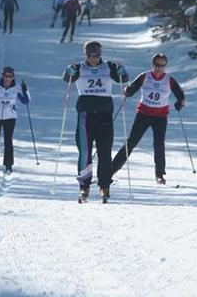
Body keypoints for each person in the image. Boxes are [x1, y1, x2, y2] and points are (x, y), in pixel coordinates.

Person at [63, 41, 129, 202]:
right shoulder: (78, 67)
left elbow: (123, 79)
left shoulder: (109, 66)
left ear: (100, 54)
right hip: (85, 114)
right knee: (85, 152)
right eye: (90, 56)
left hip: (104, 113)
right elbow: (67, 79)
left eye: (96, 56)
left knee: (104, 151)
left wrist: (122, 71)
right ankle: (84, 186)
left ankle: (104, 185)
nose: (93, 59)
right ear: (85, 55)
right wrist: (68, 71)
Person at [111, 53, 185, 185]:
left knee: (159, 145)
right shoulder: (145, 76)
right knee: (131, 142)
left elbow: (180, 94)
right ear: (152, 65)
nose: (159, 68)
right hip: (144, 114)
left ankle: (160, 174)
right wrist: (127, 91)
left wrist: (180, 102)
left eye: (162, 65)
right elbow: (131, 90)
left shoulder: (169, 79)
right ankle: (111, 170)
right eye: (157, 65)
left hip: (160, 116)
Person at [0, 66, 30, 173]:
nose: (7, 78)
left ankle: (8, 164)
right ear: (2, 75)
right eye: (5, 76)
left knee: (8, 140)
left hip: (10, 117)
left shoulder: (17, 87)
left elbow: (26, 101)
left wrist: (25, 90)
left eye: (10, 76)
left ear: (13, 77)